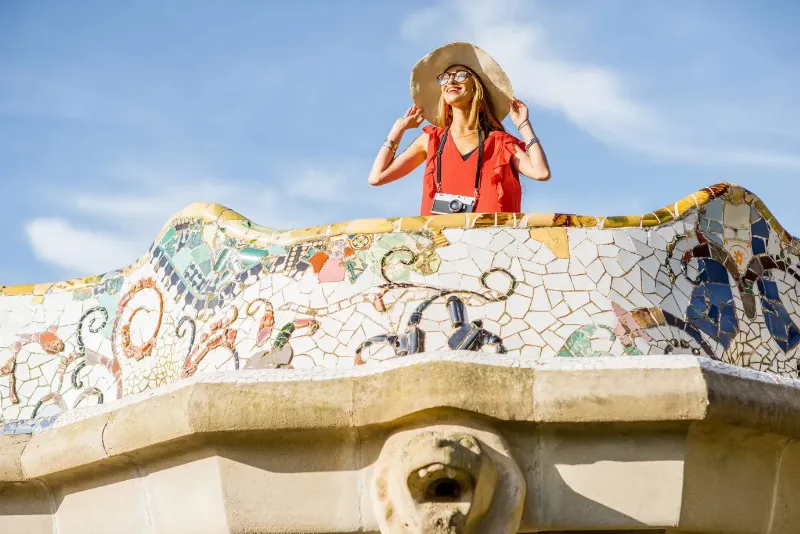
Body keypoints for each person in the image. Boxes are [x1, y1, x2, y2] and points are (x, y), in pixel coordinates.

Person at [368, 42, 550, 216]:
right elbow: (377, 177)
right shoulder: (431, 139)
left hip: (489, 236)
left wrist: (523, 124)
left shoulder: (500, 143)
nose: (451, 81)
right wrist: (398, 129)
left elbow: (541, 172)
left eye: (461, 75)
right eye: (445, 77)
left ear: (476, 88)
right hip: (441, 236)